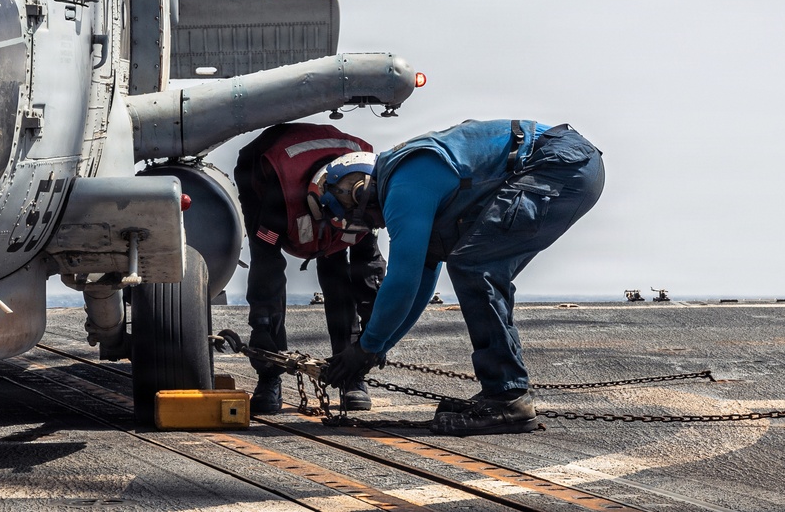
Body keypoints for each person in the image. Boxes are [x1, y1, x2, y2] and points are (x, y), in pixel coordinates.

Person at [319, 119, 605, 435]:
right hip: (569, 163)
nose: (376, 225)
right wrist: (375, 349)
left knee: (473, 265)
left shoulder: (402, 185)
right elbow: (419, 286)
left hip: (559, 165)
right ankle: (504, 392)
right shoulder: (406, 178)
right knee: (476, 264)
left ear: (360, 193)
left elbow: (402, 281)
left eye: (360, 219)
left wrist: (365, 347)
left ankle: (508, 396)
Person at [234, 123, 386, 414]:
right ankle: (269, 377)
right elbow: (268, 266)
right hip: (267, 174)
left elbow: (368, 267)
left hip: (326, 191)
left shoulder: (371, 190)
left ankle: (350, 375)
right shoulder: (276, 201)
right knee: (269, 278)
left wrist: (377, 329)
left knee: (340, 272)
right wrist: (262, 327)